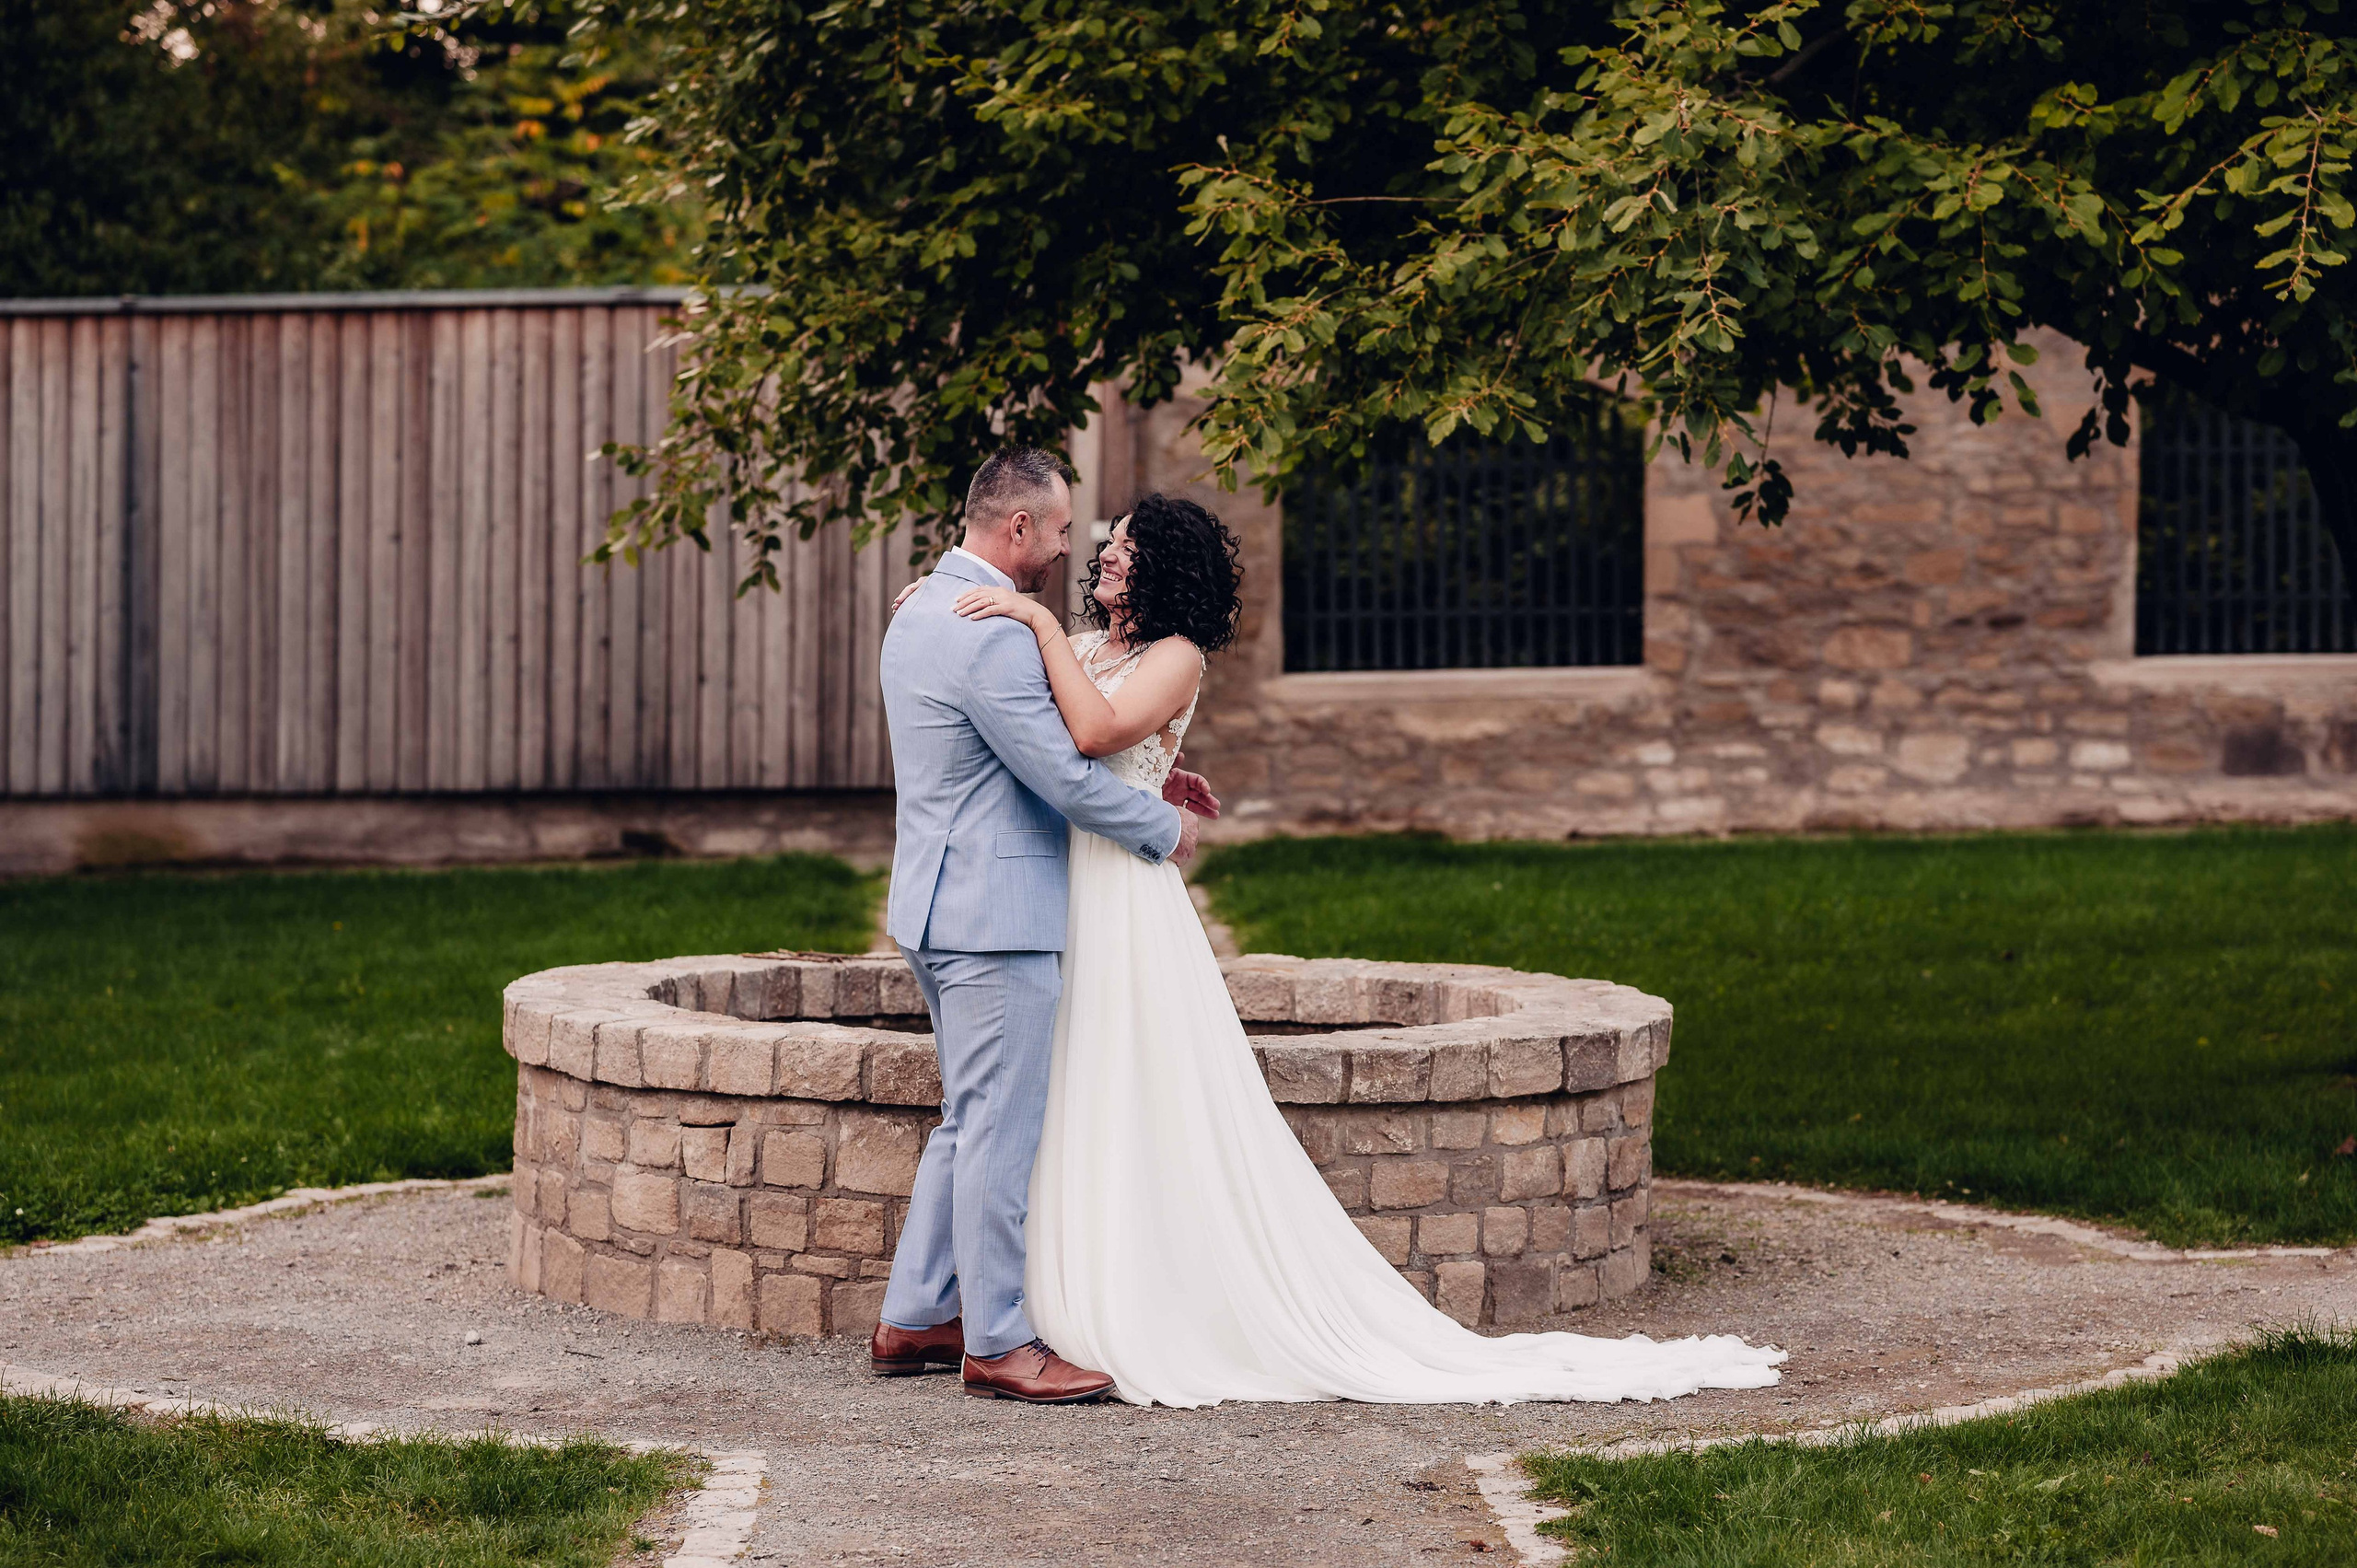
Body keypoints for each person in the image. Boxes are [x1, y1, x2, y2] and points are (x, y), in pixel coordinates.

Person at [917, 481, 1788, 1408]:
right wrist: (951, 618)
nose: (1109, 555)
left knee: (1129, 1075)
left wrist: (1039, 632)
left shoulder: (1175, 655)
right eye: (1109, 543)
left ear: (1167, 566)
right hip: (1060, 882)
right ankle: (1040, 1292)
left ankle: (1129, 1298)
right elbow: (1044, 739)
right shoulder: (1090, 642)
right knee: (1058, 1083)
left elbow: (1093, 728)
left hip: (1123, 896)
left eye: (1129, 545)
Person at [870, 448, 1219, 1403]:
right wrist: (1164, 824)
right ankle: (999, 1341)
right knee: (996, 1126)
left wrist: (1149, 773)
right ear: (1017, 528)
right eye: (1063, 530)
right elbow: (1065, 772)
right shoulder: (987, 632)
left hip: (937, 903)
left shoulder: (919, 609)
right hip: (994, 913)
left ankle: (914, 1316)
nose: (1076, 546)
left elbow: (1088, 732)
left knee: (963, 1119)